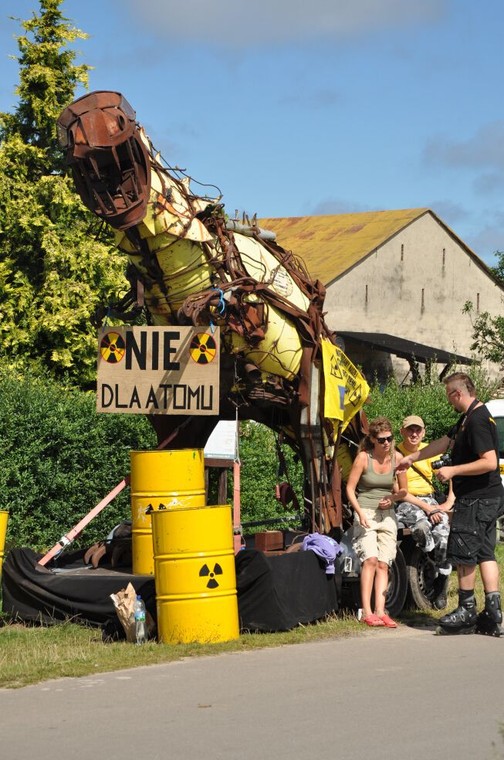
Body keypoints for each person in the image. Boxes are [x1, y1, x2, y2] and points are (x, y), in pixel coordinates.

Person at [396, 373, 504, 636]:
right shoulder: (468, 417)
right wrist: (414, 458)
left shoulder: (477, 420)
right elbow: (445, 442)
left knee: (465, 552)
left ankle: (466, 609)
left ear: (458, 393)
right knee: (485, 553)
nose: (448, 400)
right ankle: (493, 612)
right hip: (489, 497)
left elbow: (489, 461)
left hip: (477, 498)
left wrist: (454, 471)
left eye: (448, 395)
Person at [346, 416, 408, 628]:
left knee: (384, 563)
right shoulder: (364, 458)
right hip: (366, 511)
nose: (387, 443)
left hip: (387, 513)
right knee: (370, 559)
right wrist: (359, 513)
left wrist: (392, 498)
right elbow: (349, 489)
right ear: (372, 439)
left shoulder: (397, 457)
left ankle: (381, 611)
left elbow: (403, 490)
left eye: (389, 438)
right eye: (382, 440)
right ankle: (367, 611)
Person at [395, 415, 454, 609]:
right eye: (410, 430)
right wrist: (429, 509)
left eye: (418, 430)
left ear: (423, 432)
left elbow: (449, 473)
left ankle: (441, 582)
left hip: (429, 499)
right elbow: (399, 492)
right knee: (421, 527)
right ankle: (431, 557)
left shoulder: (429, 450)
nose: (414, 434)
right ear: (402, 431)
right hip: (408, 501)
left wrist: (449, 500)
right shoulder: (395, 453)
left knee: (443, 528)